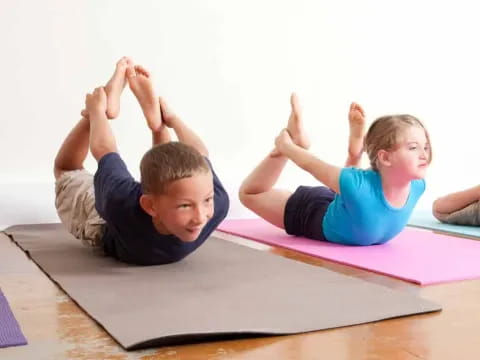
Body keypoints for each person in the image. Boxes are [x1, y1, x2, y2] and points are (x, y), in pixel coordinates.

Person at [53, 57, 229, 265]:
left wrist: (173, 119)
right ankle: (103, 109)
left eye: (207, 200)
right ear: (149, 205)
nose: (200, 217)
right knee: (66, 169)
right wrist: (97, 114)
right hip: (106, 224)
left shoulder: (217, 202)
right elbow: (105, 151)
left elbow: (200, 154)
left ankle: (159, 124)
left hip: (155, 197)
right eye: (184, 206)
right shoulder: (119, 204)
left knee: (169, 175)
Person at [239, 94, 431, 245]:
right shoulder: (358, 187)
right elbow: (312, 165)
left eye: (426, 147)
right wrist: (287, 147)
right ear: (385, 157)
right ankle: (295, 140)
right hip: (312, 212)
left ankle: (355, 149)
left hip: (346, 208)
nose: (424, 154)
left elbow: (362, 201)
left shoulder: (417, 186)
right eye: (413, 147)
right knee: (249, 194)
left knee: (353, 191)